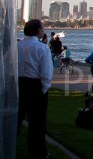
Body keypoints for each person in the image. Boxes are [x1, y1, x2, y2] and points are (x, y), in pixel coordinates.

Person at [17, 19, 53, 159]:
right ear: (38, 31)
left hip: (20, 83)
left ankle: (8, 145)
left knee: (16, 118)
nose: (43, 31)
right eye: (42, 28)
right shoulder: (42, 48)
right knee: (37, 123)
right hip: (35, 86)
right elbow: (46, 73)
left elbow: (8, 66)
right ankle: (37, 151)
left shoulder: (17, 46)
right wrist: (43, 90)